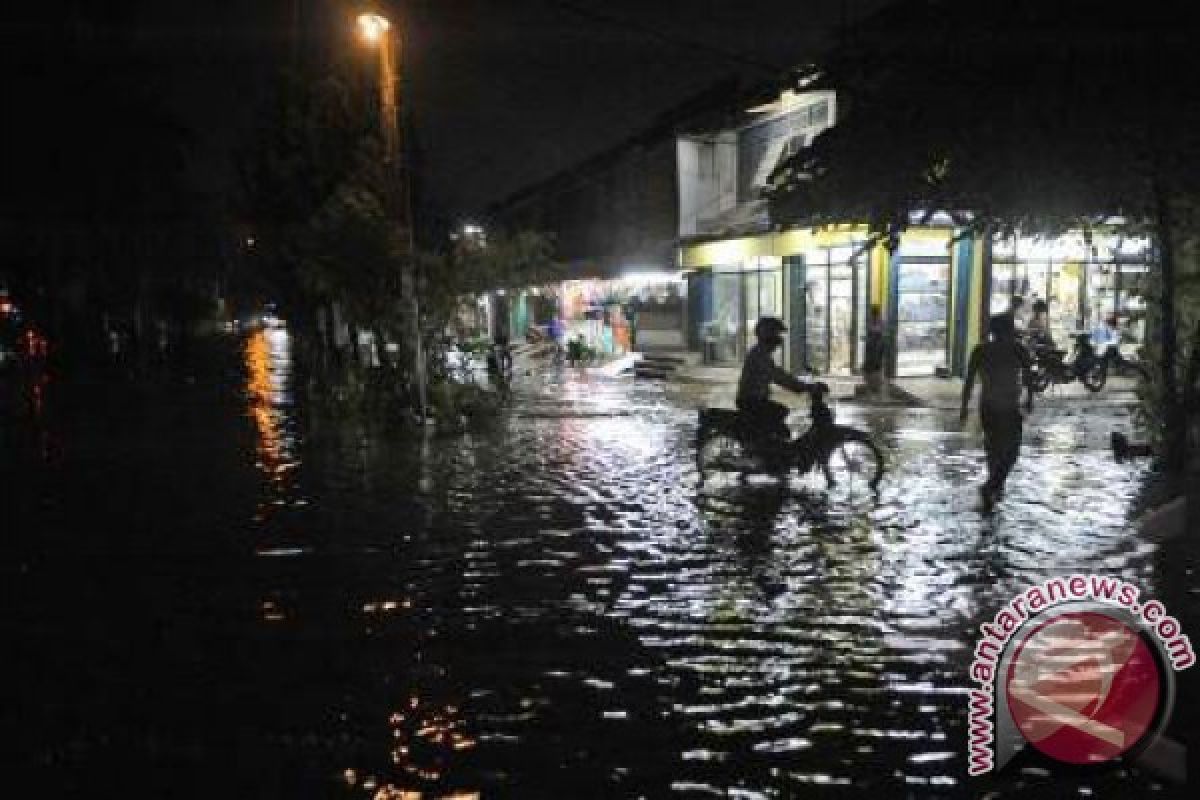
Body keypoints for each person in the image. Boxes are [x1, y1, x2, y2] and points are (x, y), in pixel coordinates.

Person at [960, 313, 1033, 511]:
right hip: (1008, 407)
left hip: (988, 407)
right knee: (1012, 451)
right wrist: (1030, 401)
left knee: (993, 447)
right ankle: (992, 486)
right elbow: (1029, 378)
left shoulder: (980, 350)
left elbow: (968, 381)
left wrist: (964, 408)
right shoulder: (1019, 349)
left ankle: (995, 487)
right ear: (1010, 330)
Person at [737, 317, 826, 441]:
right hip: (751, 400)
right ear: (767, 335)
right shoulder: (759, 355)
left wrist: (804, 385)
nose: (779, 339)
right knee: (778, 414)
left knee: (779, 414)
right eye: (776, 334)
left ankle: (767, 447)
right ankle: (766, 453)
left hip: (756, 399)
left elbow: (779, 374)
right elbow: (779, 377)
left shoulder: (762, 353)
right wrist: (806, 387)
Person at [862, 305, 887, 399]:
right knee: (874, 366)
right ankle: (874, 386)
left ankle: (874, 386)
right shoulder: (876, 322)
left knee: (875, 365)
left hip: (876, 348)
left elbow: (878, 333)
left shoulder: (878, 323)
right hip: (874, 348)